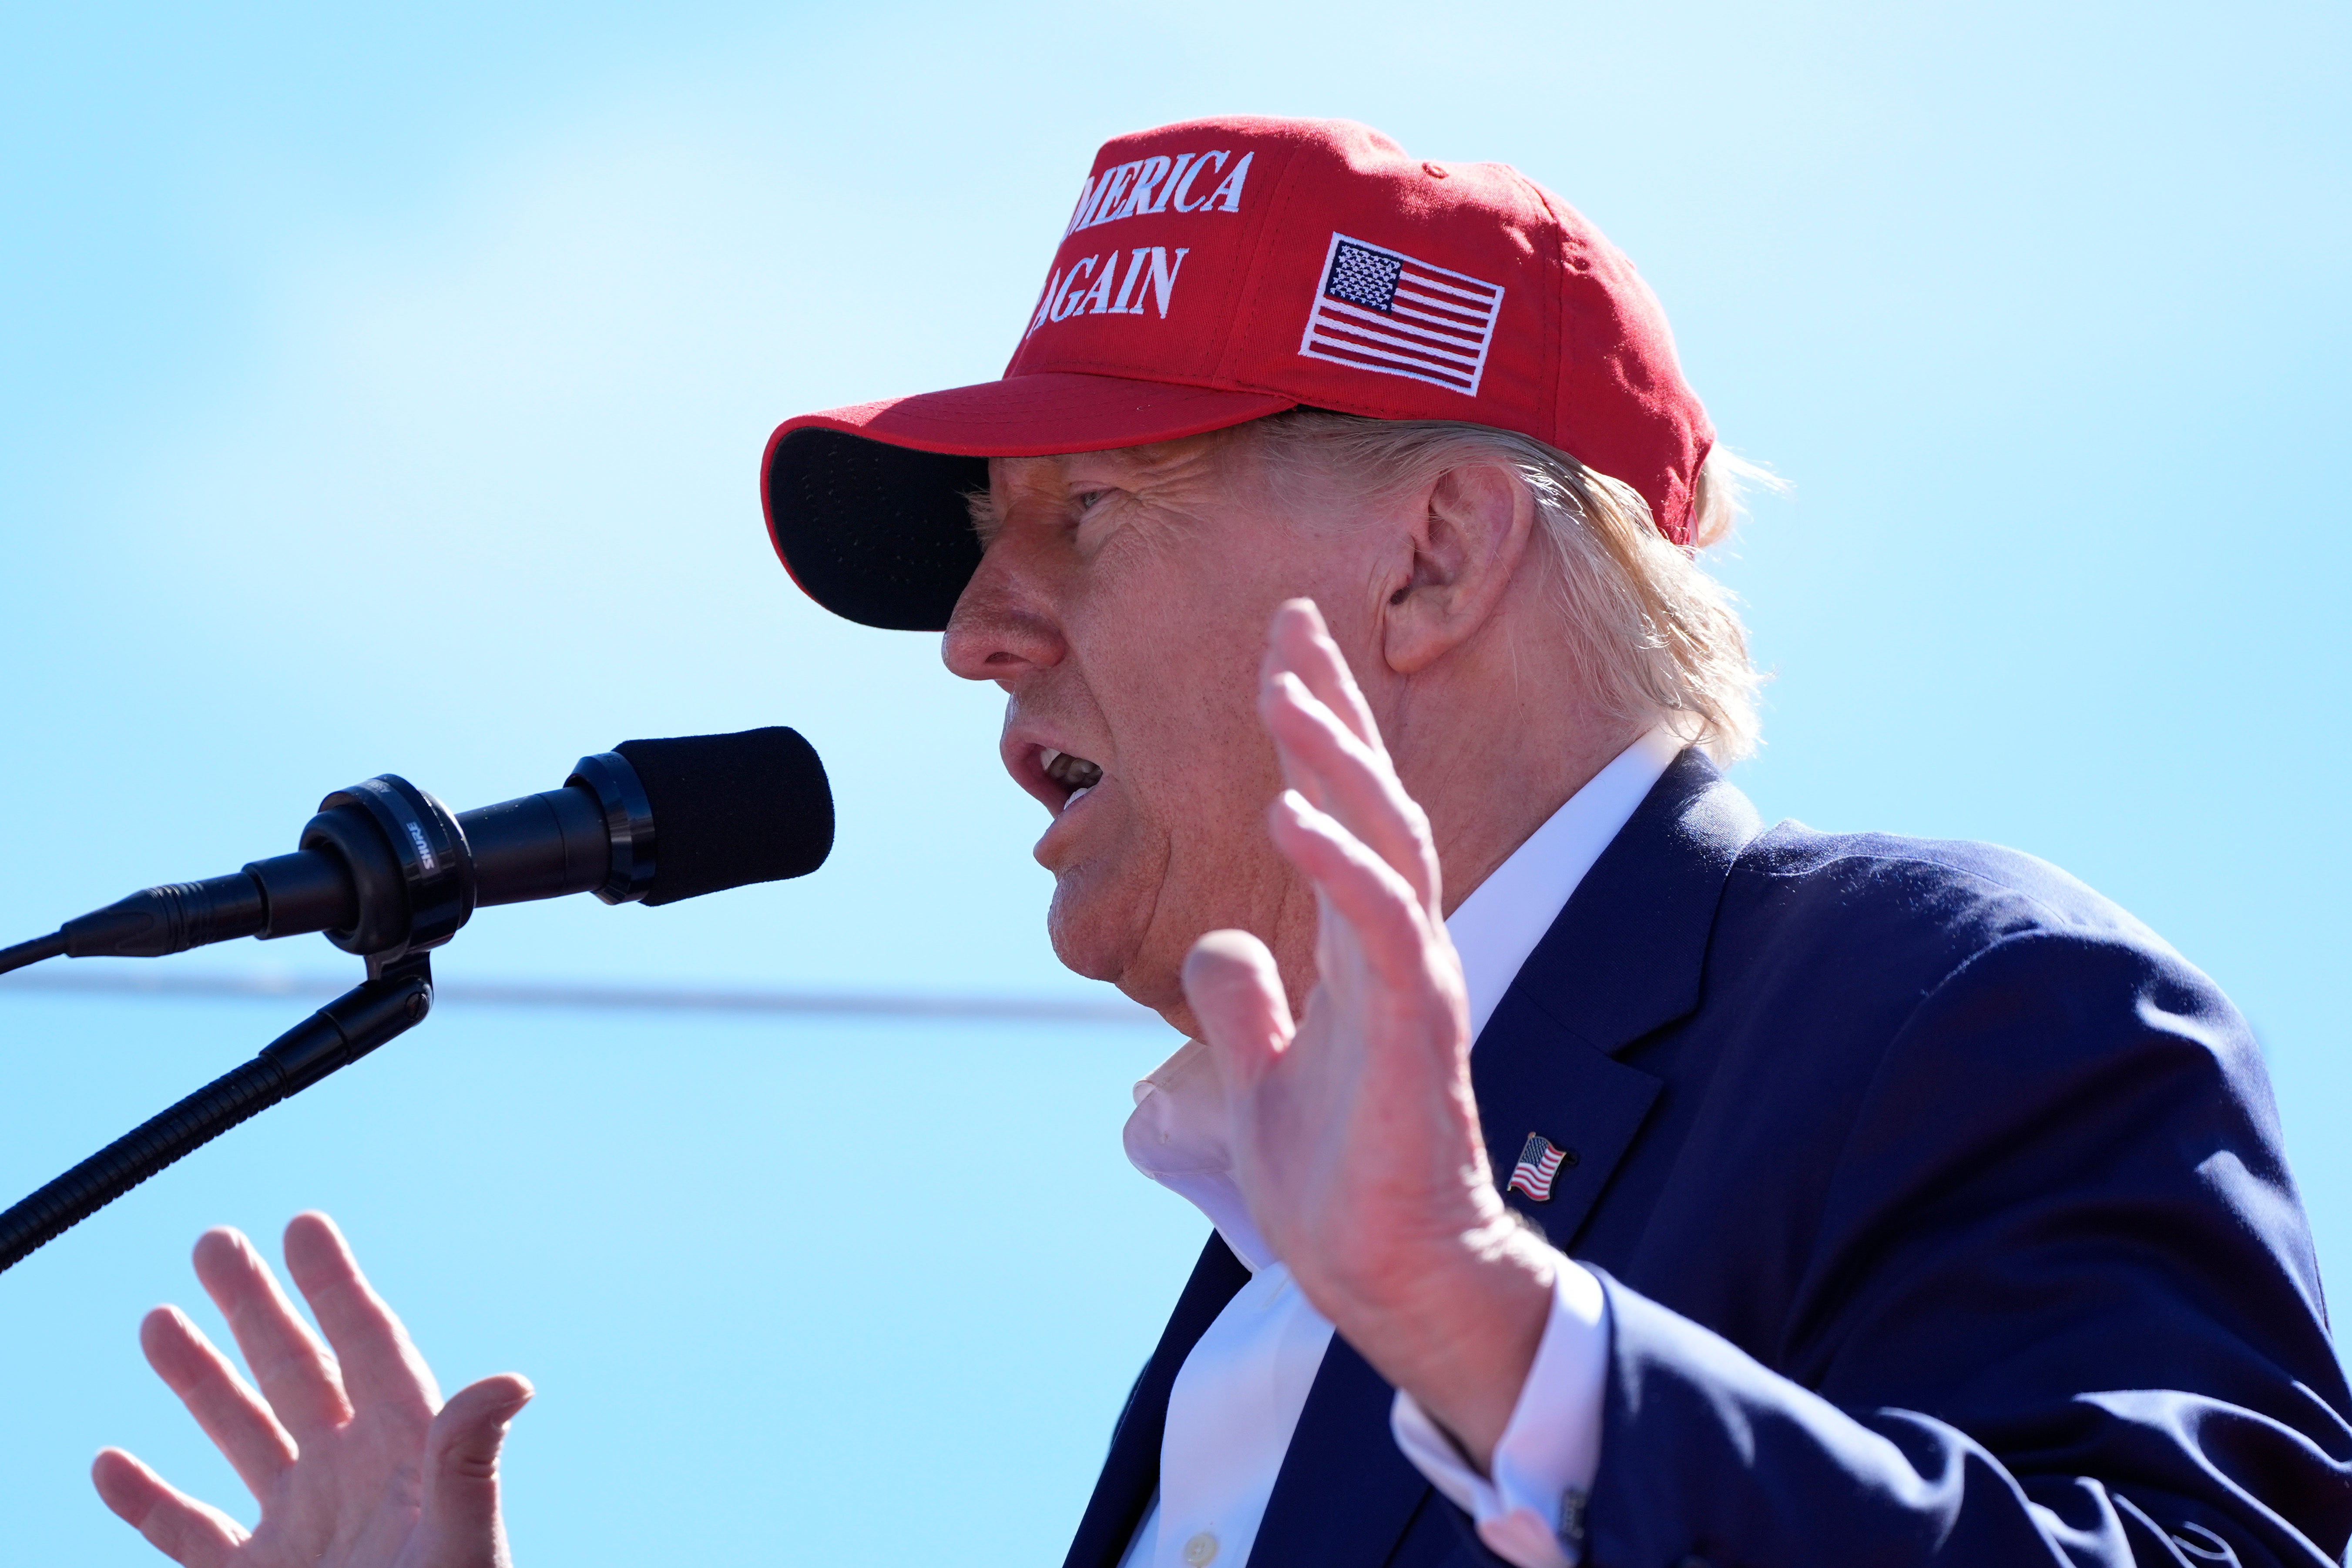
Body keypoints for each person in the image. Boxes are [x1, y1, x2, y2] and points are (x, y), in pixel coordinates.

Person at [96, 115, 2351, 1568]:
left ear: (1438, 556)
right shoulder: (1267, 1282)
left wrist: (1493, 1327)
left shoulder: (1955, 1003)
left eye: (1093, 512)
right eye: (991, 547)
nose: (981, 631)